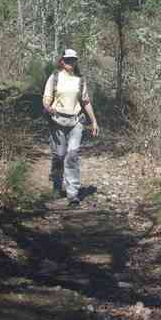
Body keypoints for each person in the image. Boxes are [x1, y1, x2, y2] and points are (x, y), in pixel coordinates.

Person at [42, 49, 99, 206]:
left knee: (72, 155)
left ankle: (72, 193)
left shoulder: (80, 80)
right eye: (67, 60)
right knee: (59, 155)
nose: (70, 62)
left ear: (76, 61)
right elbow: (46, 99)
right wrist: (48, 107)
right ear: (62, 61)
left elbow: (86, 102)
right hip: (56, 121)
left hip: (76, 122)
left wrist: (93, 121)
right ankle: (56, 185)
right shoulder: (54, 78)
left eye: (73, 60)